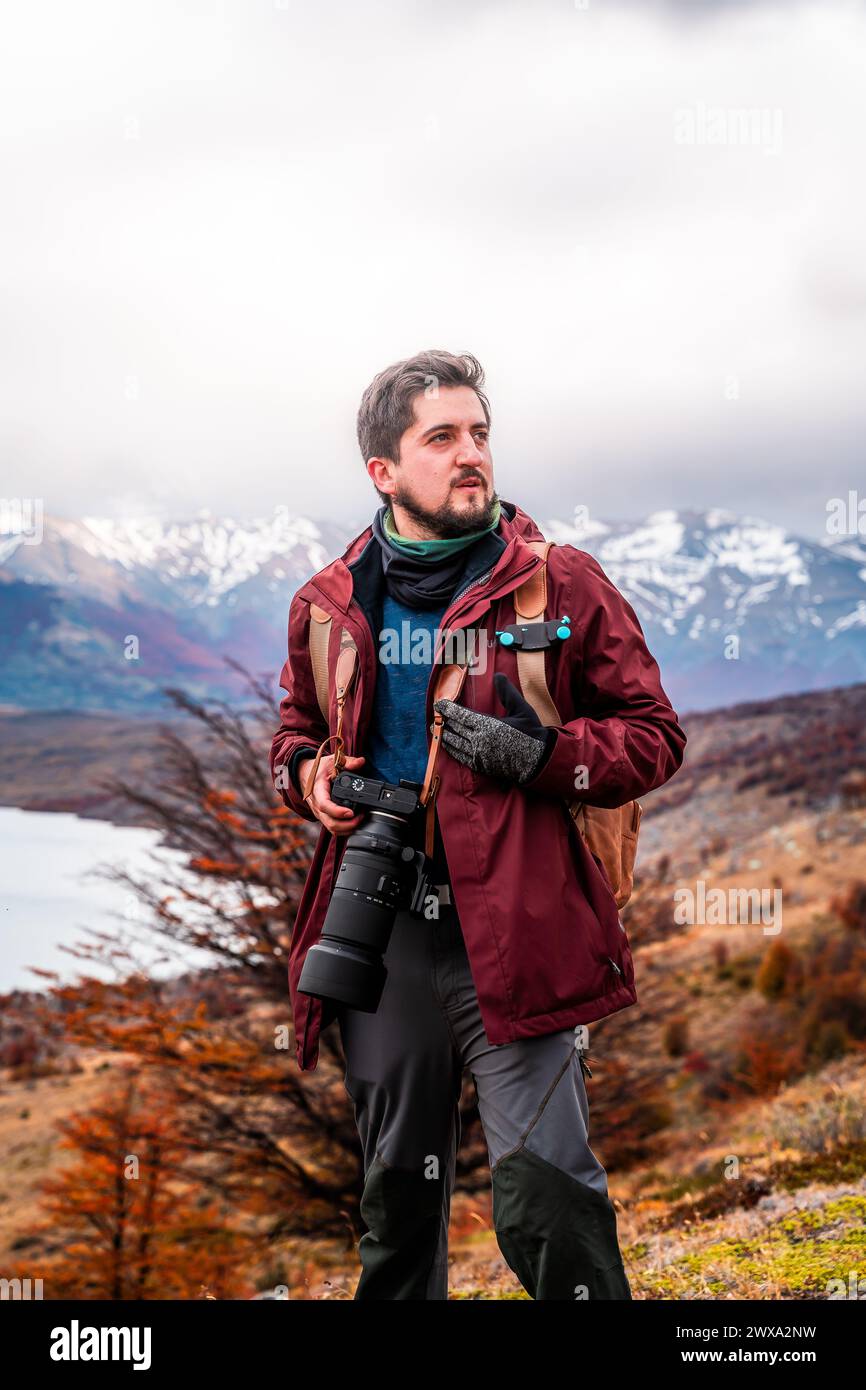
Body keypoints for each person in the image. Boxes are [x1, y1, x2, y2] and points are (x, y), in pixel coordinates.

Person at [269, 349, 687, 1300]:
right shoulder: (330, 604)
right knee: (394, 1200)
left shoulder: (559, 583)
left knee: (545, 1191)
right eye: (443, 437)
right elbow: (294, 731)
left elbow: (654, 739)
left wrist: (535, 756)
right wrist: (309, 777)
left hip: (521, 927)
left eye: (481, 434)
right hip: (380, 934)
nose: (472, 456)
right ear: (384, 471)